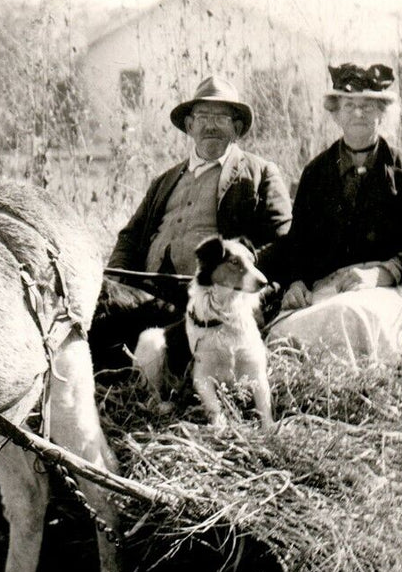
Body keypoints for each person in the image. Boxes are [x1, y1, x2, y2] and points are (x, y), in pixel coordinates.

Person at [93, 75, 292, 371]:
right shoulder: (165, 180)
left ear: (236, 128)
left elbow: (283, 240)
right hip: (147, 293)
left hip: (205, 302)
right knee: (94, 304)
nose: (210, 125)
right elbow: (130, 236)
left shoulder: (260, 173)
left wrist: (239, 270)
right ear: (189, 126)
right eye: (202, 116)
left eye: (221, 117)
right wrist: (116, 280)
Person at [261, 63, 402, 368]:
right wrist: (297, 283)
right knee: (284, 332)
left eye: (368, 105)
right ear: (335, 113)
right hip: (328, 287)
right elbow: (298, 242)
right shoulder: (316, 172)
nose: (358, 113)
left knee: (353, 317)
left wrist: (378, 274)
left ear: (382, 111)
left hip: (385, 289)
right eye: (349, 105)